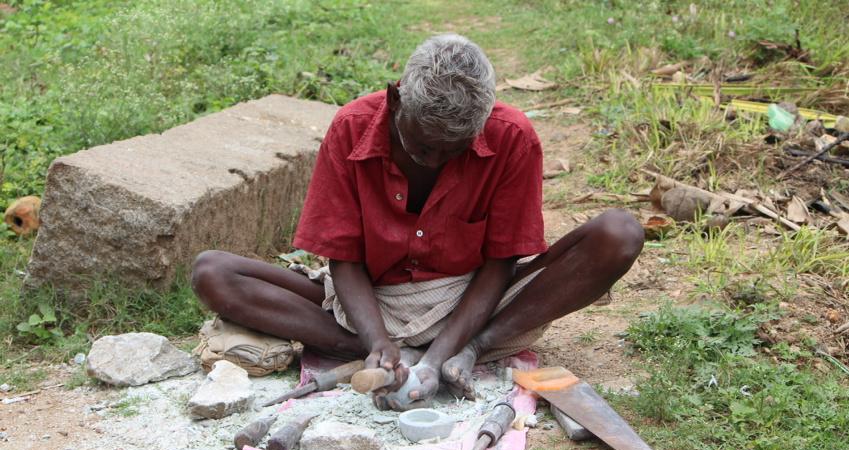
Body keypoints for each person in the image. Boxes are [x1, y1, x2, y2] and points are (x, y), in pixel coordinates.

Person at [191, 34, 644, 411]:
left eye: (455, 150)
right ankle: (385, 353)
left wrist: (450, 353)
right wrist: (376, 341)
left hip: (474, 301)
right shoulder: (351, 127)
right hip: (369, 303)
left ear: (481, 122)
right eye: (425, 147)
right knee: (213, 273)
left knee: (618, 235)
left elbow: (500, 261)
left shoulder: (511, 136)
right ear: (395, 101)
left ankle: (470, 349)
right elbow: (343, 258)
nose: (437, 160)